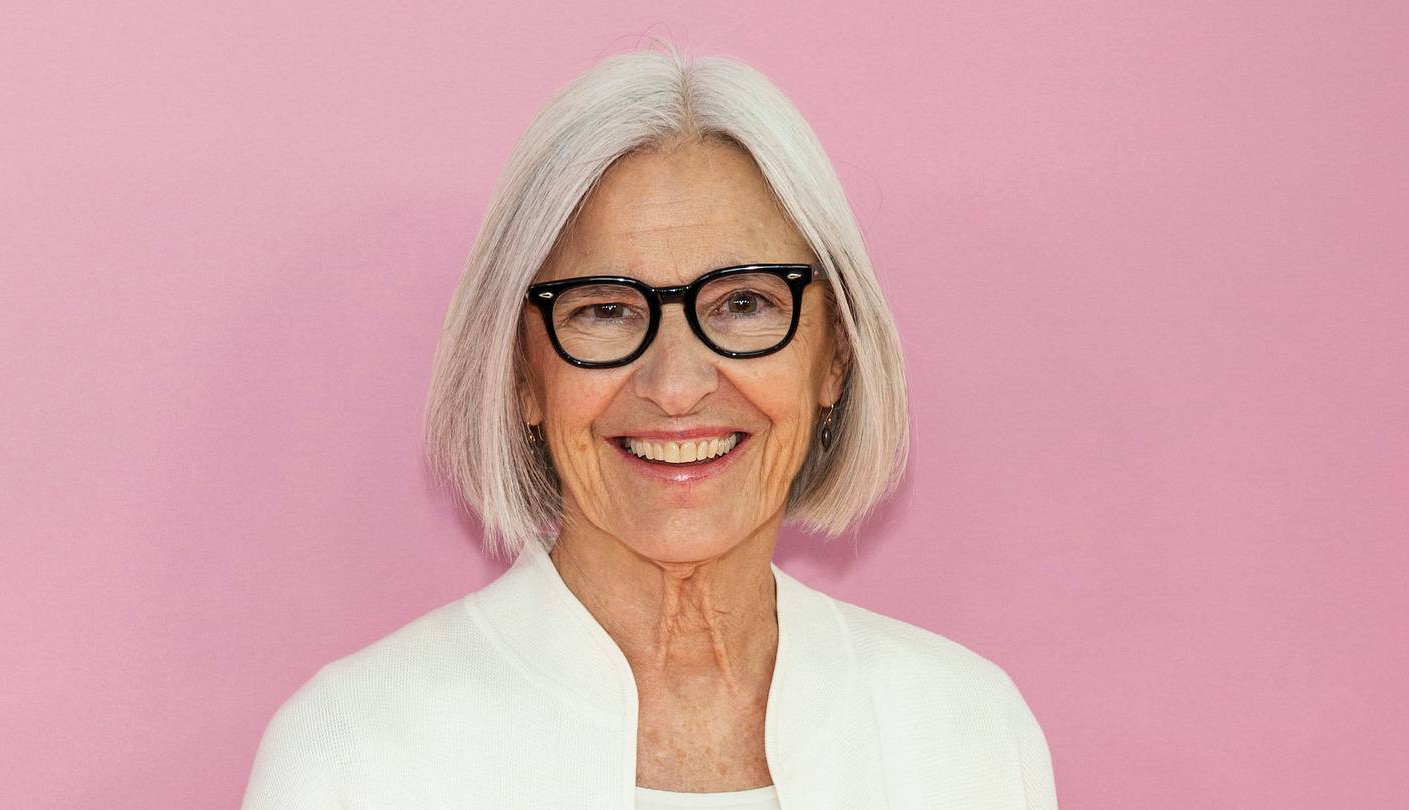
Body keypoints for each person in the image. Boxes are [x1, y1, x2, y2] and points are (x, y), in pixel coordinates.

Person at [242, 41, 1057, 810]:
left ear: (834, 357)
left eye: (744, 303)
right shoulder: (357, 758)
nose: (674, 385)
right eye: (605, 309)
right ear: (525, 373)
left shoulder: (970, 735)